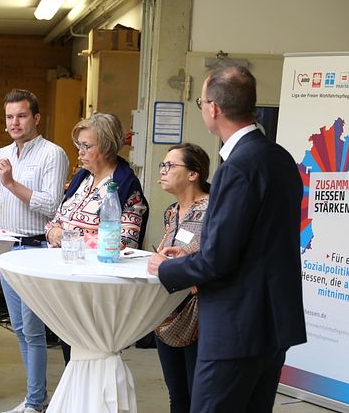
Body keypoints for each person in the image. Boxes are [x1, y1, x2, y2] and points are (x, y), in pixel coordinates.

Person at [147, 63, 306, 412]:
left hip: (237, 327)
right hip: (274, 321)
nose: (202, 108)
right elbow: (257, 244)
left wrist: (166, 269)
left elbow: (218, 259)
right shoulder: (280, 158)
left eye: (201, 102)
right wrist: (187, 259)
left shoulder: (237, 167)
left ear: (214, 109)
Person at [0, 89, 69, 413]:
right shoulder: (3, 153)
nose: (14, 122)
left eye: (22, 115)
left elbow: (52, 205)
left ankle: (35, 401)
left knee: (33, 330)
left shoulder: (52, 154)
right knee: (19, 329)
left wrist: (12, 183)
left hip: (37, 248)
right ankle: (34, 399)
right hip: (10, 249)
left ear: (36, 118)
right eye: (10, 116)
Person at [44, 113, 149, 364]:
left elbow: (124, 242)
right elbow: (53, 223)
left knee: (91, 359)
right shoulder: (82, 178)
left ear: (107, 145)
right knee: (71, 357)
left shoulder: (126, 187)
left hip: (98, 292)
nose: (79, 152)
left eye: (86, 146)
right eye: (78, 145)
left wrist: (66, 236)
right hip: (69, 282)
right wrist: (56, 233)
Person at [152, 143, 210, 413]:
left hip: (201, 312)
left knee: (198, 394)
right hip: (167, 311)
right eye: (162, 165)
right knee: (177, 393)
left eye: (170, 166)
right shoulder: (171, 212)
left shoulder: (213, 210)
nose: (162, 171)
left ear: (193, 174)